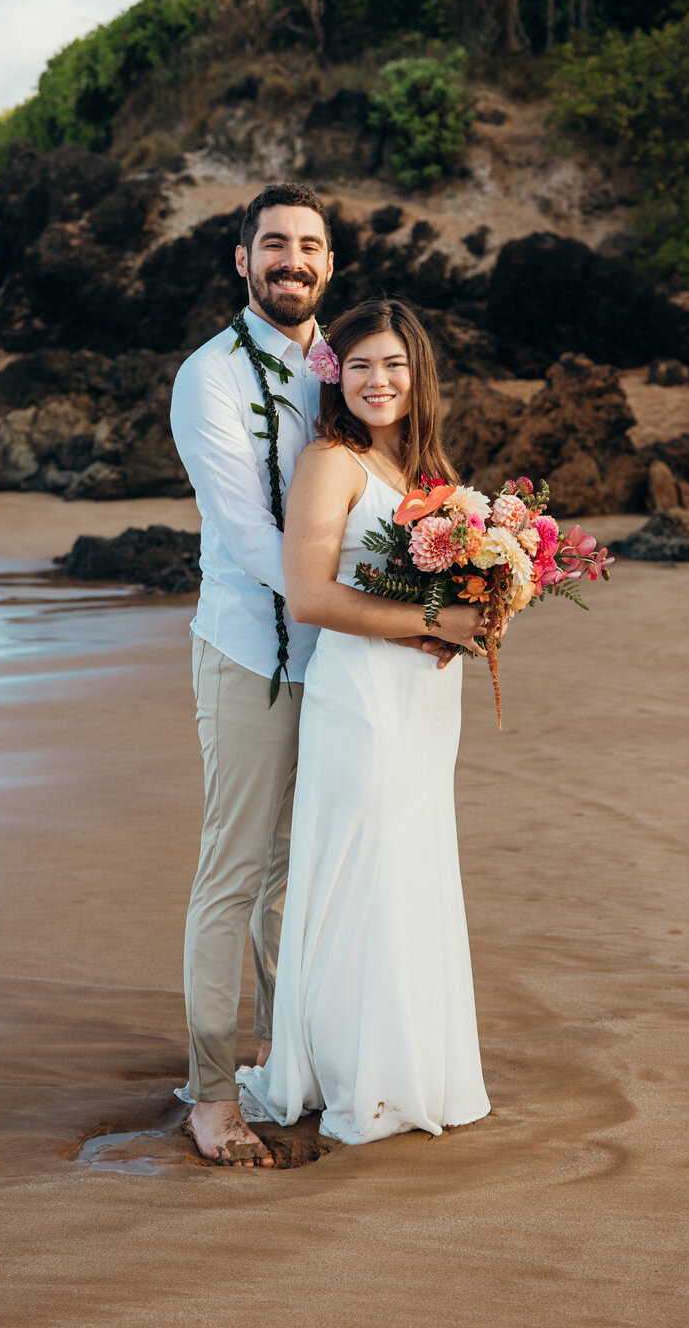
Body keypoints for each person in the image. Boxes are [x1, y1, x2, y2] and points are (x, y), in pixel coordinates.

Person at [170, 192, 479, 1168]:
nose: (290, 260)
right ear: (241, 259)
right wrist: (392, 606)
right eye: (273, 246)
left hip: (351, 665)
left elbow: (386, 475)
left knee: (303, 874)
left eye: (308, 246)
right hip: (256, 651)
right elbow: (261, 541)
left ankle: (290, 1052)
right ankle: (214, 1094)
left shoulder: (335, 363)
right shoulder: (208, 378)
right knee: (237, 871)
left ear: (331, 264)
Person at [238, 297, 492, 1146]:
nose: (378, 382)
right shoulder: (331, 462)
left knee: (411, 867)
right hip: (364, 699)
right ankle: (358, 1077)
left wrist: (491, 600)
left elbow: (451, 581)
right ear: (334, 377)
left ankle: (415, 1062)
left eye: (393, 365)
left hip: (423, 700)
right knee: (360, 870)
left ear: (419, 373)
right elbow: (310, 595)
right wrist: (433, 621)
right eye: (359, 366)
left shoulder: (428, 475)